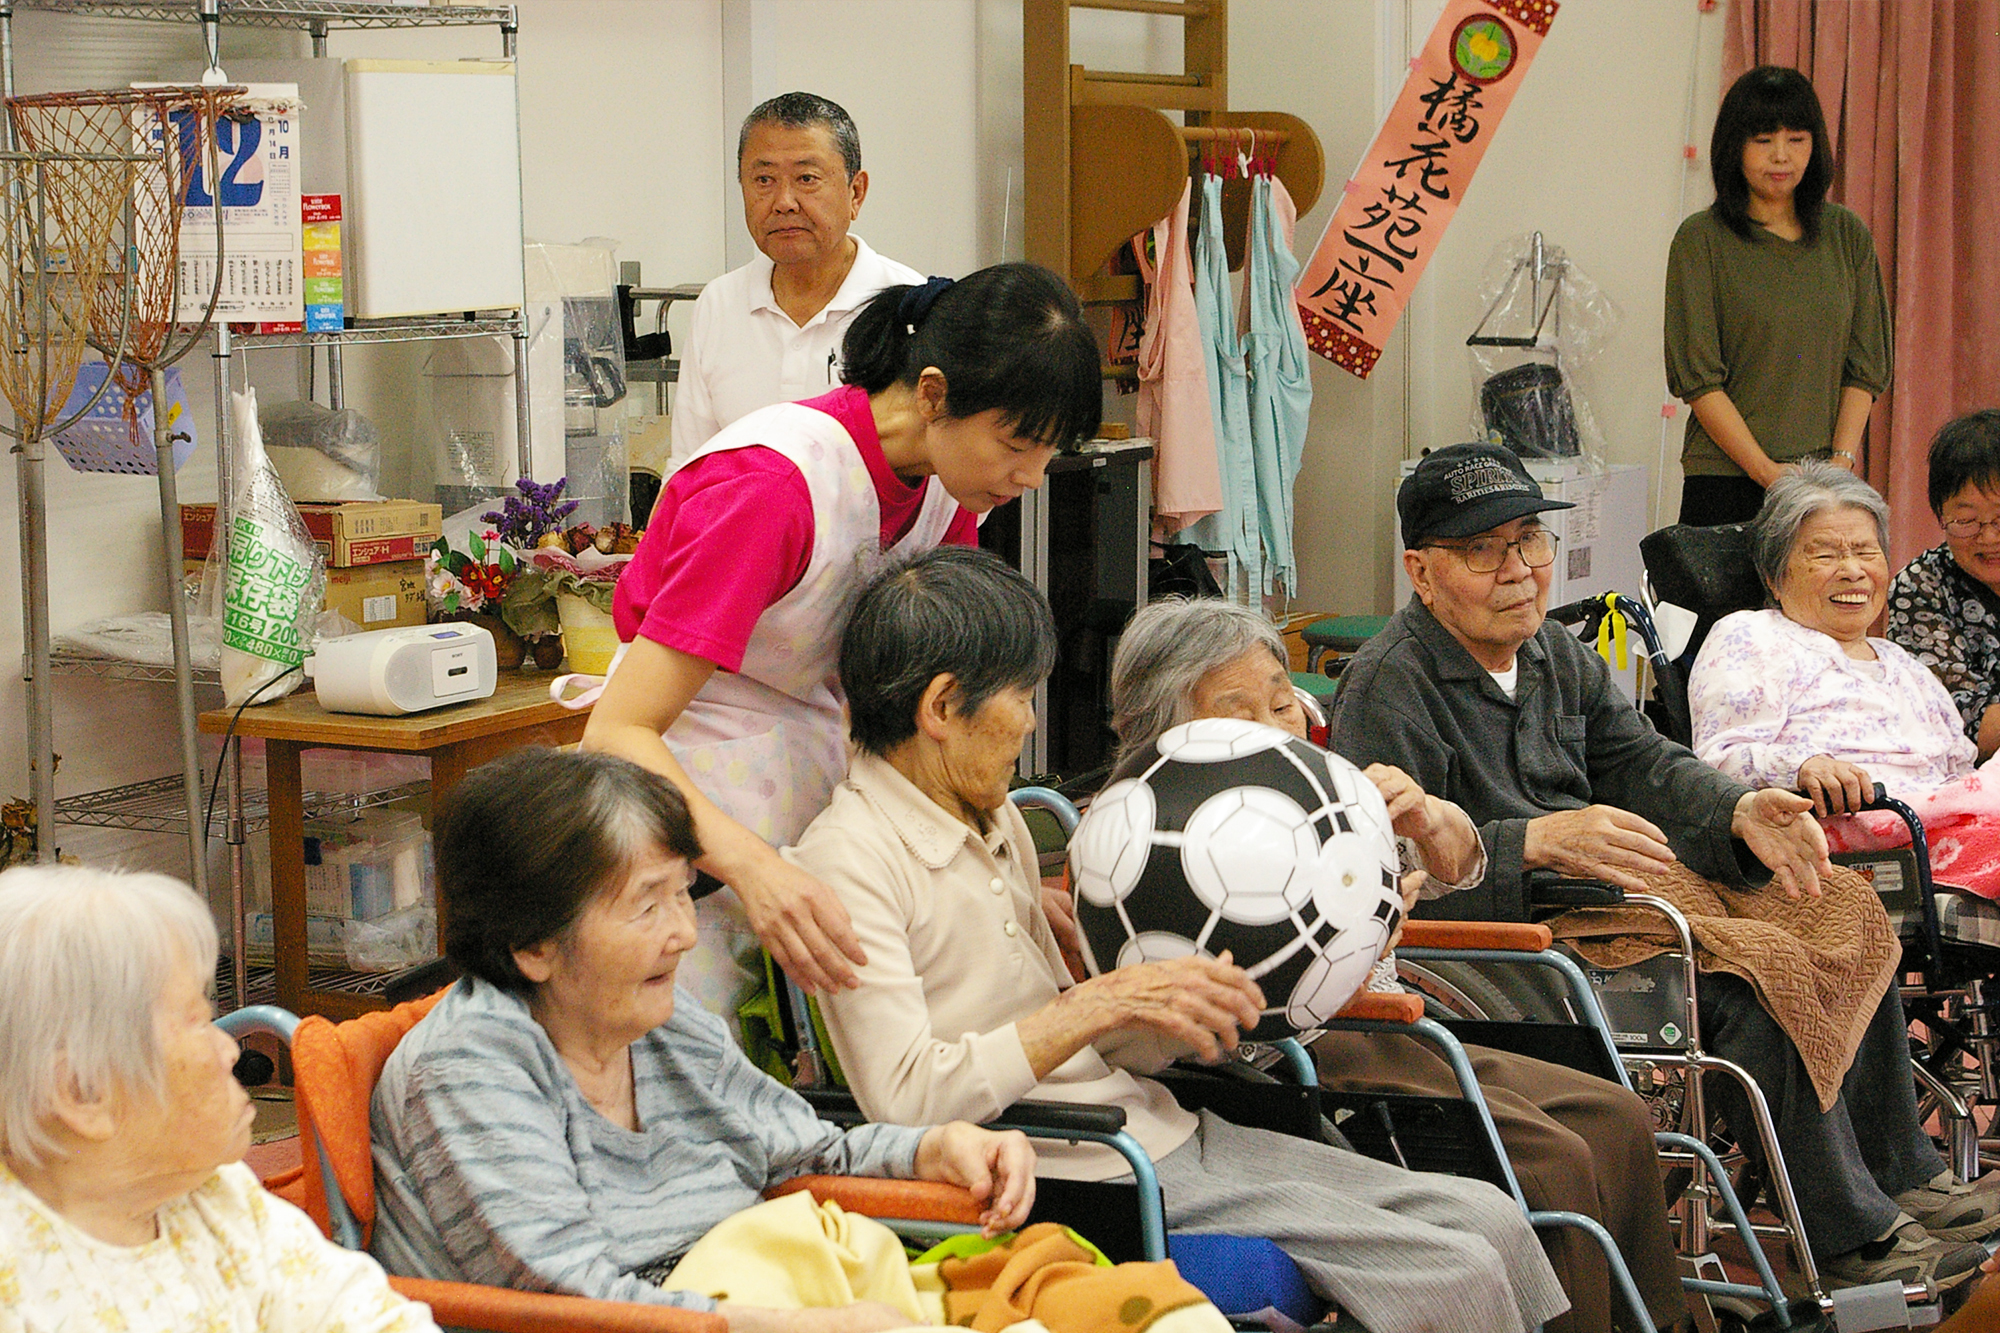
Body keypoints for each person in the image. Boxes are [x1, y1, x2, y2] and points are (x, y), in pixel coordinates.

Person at [789, 546, 1571, 1333]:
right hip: (1071, 1165)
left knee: (1490, 1216)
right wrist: (1095, 1004)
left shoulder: (989, 820)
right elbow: (905, 1098)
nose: (1031, 722)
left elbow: (1093, 1040)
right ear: (942, 707)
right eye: (1022, 697)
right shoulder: (848, 859)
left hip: (1150, 1121)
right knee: (1452, 1263)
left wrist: (1170, 1014)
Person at [1331, 441, 1996, 1293]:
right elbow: (1389, 874)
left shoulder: (1552, 654)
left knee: (1843, 907)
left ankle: (1901, 1173)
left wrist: (1735, 809)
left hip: (1623, 894)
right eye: (1480, 550)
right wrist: (1535, 841)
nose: (1518, 569)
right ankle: (1847, 1233)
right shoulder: (1392, 682)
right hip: (1514, 932)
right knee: (1759, 973)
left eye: (1528, 540)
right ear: (1422, 573)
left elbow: (1645, 762)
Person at [1108, 596, 1688, 1333]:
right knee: (1556, 1160)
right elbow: (1208, 1017)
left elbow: (1453, 865)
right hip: (1295, 1052)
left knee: (1617, 1113)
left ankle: (1658, 1324)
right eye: (1238, 708)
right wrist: (1350, 951)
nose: (1275, 726)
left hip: (1396, 1023)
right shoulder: (1150, 837)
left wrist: (1428, 821)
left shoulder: (1308, 793)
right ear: (1167, 725)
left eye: (1283, 704)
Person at [369, 746, 1036, 1328]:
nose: (685, 933)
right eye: (647, 903)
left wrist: (935, 1146)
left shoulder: (660, 1022)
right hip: (650, 1326)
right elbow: (571, 1300)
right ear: (533, 944)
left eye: (683, 892)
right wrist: (810, 1328)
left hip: (746, 1303)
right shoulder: (469, 1065)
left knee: (1057, 1282)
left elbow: (808, 1155)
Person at [585, 261, 1099, 1016]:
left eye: (1049, 453)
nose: (1029, 475)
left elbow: (926, 729)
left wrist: (1007, 891)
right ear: (932, 394)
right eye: (1017, 442)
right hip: (686, 803)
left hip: (812, 798)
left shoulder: (941, 499)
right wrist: (755, 871)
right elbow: (618, 731)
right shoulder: (771, 489)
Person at [0, 864, 437, 1333]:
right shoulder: (21, 1287)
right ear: (83, 1093)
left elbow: (363, 1313)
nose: (230, 1048)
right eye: (194, 1023)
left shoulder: (217, 1193)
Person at [1694, 462, 2000, 898]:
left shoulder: (1905, 664)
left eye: (1866, 551)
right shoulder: (1751, 636)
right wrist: (1802, 767)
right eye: (1826, 554)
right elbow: (1714, 763)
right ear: (1774, 577)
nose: (1853, 570)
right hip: (1857, 847)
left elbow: (1959, 773)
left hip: (1946, 830)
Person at [1664, 65, 1891, 527]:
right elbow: (1699, 379)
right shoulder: (1700, 239)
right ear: (1734, 147)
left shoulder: (1846, 234)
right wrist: (1767, 471)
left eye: (1797, 139)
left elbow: (1865, 368)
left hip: (1823, 486)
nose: (1781, 156)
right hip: (1726, 478)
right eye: (1763, 141)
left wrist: (1839, 466)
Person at [670, 92, 923, 460]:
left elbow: (948, 486)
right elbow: (690, 466)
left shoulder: (911, 307)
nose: (784, 201)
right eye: (763, 179)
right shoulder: (719, 303)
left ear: (856, 192)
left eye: (807, 178)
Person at [1888, 409, 2000, 760]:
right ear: (1940, 516)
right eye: (1966, 520)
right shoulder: (1921, 586)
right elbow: (1954, 728)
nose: (1989, 536)